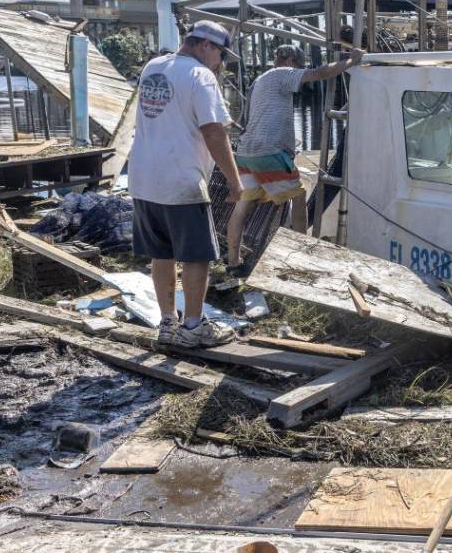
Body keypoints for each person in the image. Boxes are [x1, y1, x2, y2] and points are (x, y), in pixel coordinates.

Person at [127, 20, 242, 349]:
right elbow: (214, 131)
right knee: (196, 256)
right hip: (181, 178)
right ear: (206, 46)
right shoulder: (200, 75)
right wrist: (234, 181)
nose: (220, 62)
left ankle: (167, 323)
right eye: (221, 54)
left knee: (161, 252)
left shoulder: (153, 66)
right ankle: (193, 326)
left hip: (144, 177)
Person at [224, 44, 364, 277]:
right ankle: (301, 257)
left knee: (243, 206)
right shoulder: (282, 73)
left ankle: (232, 263)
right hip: (269, 151)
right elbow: (319, 73)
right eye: (298, 66)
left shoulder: (260, 81)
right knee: (299, 197)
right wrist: (350, 62)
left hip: (247, 150)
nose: (299, 72)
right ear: (289, 60)